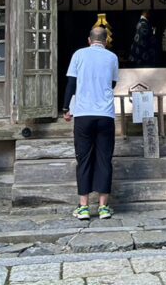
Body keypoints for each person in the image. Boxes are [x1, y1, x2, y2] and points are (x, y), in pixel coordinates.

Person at [63, 24, 119, 220]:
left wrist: (66, 108)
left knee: (84, 159)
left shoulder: (79, 54)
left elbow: (71, 82)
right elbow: (112, 84)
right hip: (105, 114)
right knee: (104, 159)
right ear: (106, 41)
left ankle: (84, 207)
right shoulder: (112, 57)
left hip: (83, 113)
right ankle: (103, 207)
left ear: (89, 40)